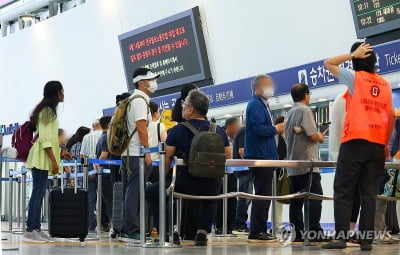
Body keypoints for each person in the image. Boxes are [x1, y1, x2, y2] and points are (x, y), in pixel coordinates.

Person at [322, 42, 395, 251]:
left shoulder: (355, 79)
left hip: (354, 143)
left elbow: (328, 63)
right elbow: (389, 115)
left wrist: (351, 54)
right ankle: (366, 240)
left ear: (355, 60)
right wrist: (385, 143)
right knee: (369, 193)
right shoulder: (384, 84)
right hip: (377, 145)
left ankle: (340, 238)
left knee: (343, 191)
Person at [165, 89, 231, 246]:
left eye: (184, 104)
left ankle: (169, 231)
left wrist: (167, 177)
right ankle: (202, 231)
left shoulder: (177, 130)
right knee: (210, 198)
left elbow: (167, 157)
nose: (182, 107)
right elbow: (228, 156)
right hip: (211, 184)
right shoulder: (218, 130)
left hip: (184, 185)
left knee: (154, 192)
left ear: (191, 109)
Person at [120, 67, 159, 241]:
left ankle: (128, 227)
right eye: (151, 80)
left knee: (132, 190)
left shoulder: (138, 99)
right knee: (134, 191)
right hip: (137, 154)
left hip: (133, 153)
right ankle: (131, 229)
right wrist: (147, 152)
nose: (154, 83)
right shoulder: (139, 101)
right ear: (142, 83)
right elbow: (142, 129)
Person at [244, 74, 284, 242]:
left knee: (264, 194)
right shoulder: (255, 105)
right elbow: (259, 130)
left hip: (265, 154)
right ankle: (256, 230)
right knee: (262, 194)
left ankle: (260, 228)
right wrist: (276, 129)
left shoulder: (261, 104)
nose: (271, 87)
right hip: (260, 155)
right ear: (258, 88)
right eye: (268, 84)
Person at [24, 81, 64, 242]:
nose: (63, 94)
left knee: (39, 193)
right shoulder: (47, 112)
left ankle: (36, 228)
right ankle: (30, 229)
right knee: (38, 193)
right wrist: (54, 161)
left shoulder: (47, 111)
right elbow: (45, 140)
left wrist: (61, 152)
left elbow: (49, 138)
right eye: (61, 91)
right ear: (56, 93)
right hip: (41, 157)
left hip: (42, 157)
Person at [284, 83, 325, 242]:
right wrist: (320, 137)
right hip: (308, 163)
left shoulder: (290, 112)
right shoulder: (305, 110)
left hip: (294, 164)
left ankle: (298, 232)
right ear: (306, 95)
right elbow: (313, 136)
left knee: (296, 200)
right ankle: (314, 231)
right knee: (315, 198)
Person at [171, 83, 201, 241]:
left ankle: (177, 230)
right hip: (194, 166)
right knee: (193, 200)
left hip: (181, 167)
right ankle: (191, 232)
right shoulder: (197, 122)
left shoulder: (177, 127)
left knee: (184, 199)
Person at [215, 117, 239, 234]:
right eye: (236, 126)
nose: (238, 128)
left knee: (232, 200)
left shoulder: (235, 139)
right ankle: (220, 226)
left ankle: (230, 226)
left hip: (232, 173)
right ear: (229, 126)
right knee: (221, 200)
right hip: (221, 173)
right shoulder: (220, 137)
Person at [80, 118, 103, 232]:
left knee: (90, 198)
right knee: (106, 195)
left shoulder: (86, 137)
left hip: (89, 167)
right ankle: (105, 224)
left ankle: (90, 225)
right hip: (104, 165)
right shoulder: (105, 135)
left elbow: (82, 155)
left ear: (93, 126)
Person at [93, 116, 114, 233]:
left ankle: (103, 223)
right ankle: (113, 224)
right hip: (106, 172)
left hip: (102, 173)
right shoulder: (107, 137)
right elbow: (104, 154)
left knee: (103, 200)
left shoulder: (101, 137)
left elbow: (96, 156)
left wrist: (97, 168)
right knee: (110, 199)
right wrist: (100, 166)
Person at [232, 123, 252, 233]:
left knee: (244, 198)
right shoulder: (245, 131)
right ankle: (239, 223)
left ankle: (240, 222)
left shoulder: (242, 130)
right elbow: (242, 151)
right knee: (244, 198)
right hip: (245, 170)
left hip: (242, 169)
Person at [148, 101, 167, 183]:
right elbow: (165, 144)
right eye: (158, 111)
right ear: (155, 113)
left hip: (144, 163)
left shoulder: (142, 127)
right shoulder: (160, 125)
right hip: (157, 164)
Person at [274, 116, 287, 227]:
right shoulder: (278, 138)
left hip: (279, 173)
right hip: (277, 173)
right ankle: (277, 223)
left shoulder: (282, 138)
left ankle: (278, 223)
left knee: (279, 199)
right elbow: (281, 155)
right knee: (277, 199)